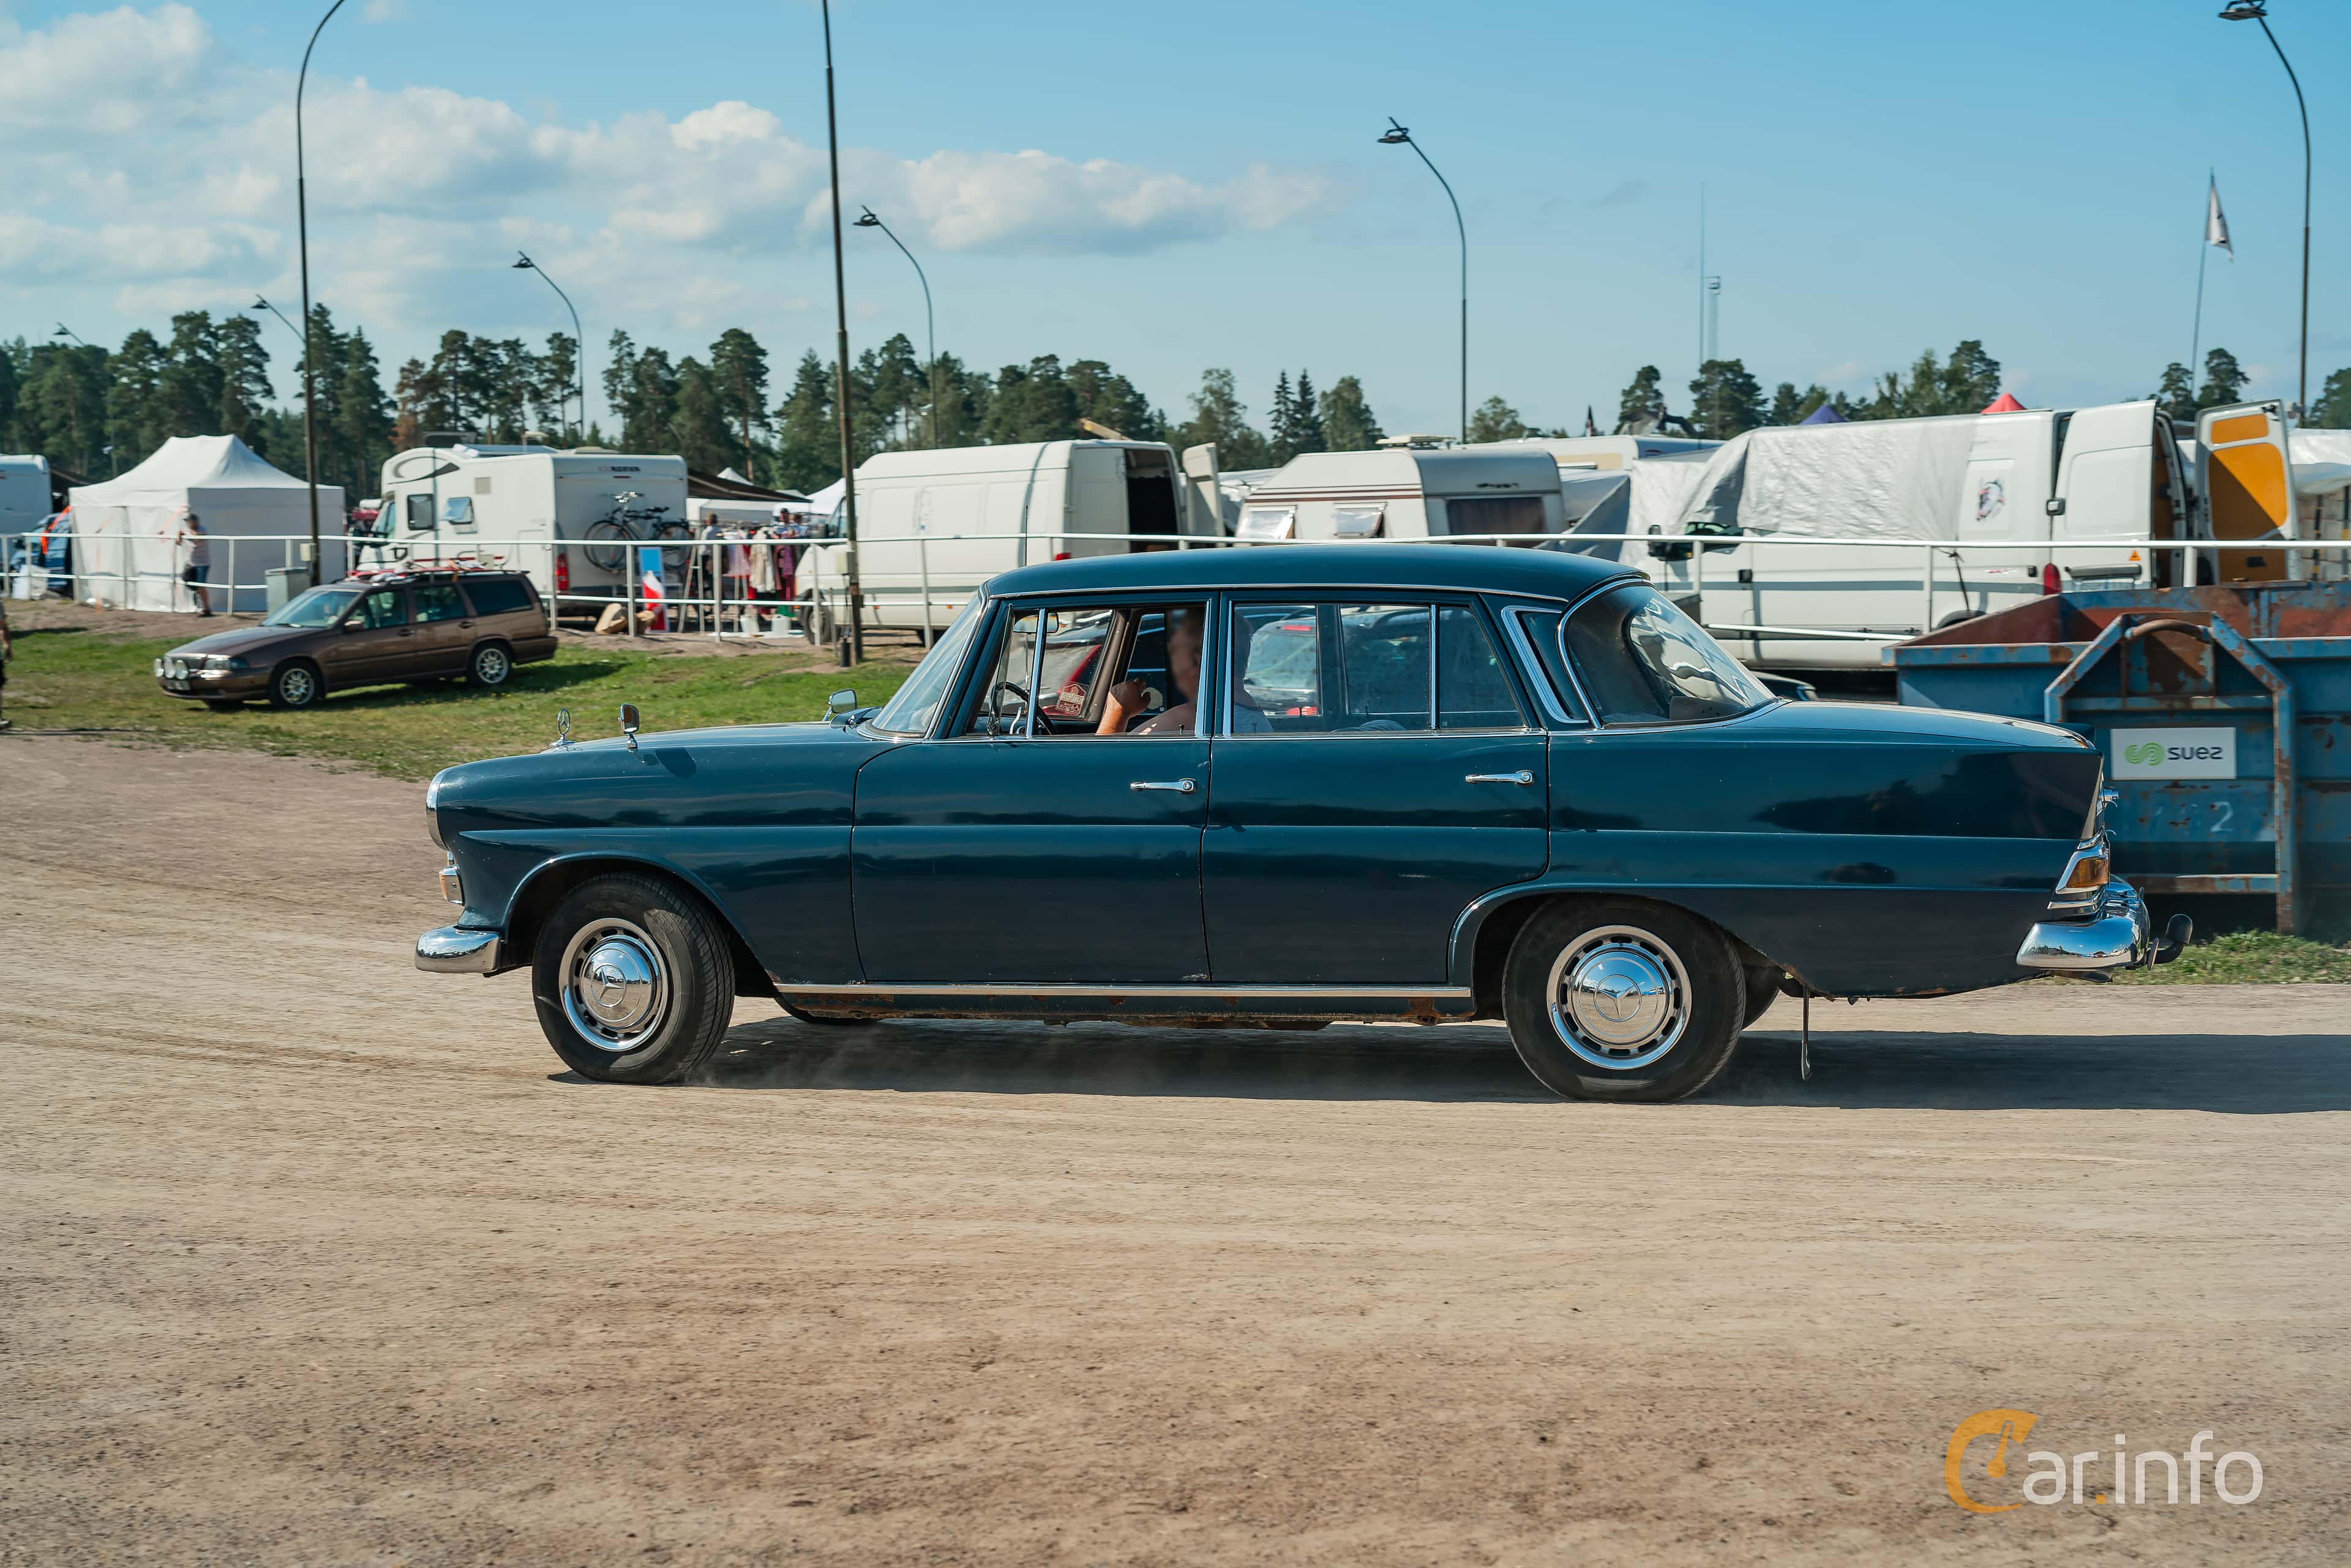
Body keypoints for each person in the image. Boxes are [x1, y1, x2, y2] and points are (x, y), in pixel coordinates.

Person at [176, 511, 212, 617]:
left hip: (203, 563)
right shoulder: (187, 530)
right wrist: (179, 535)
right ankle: (197, 593)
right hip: (191, 563)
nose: (187, 523)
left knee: (201, 585)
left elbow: (198, 537)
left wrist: (187, 532)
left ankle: (207, 609)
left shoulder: (202, 529)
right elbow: (181, 531)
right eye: (187, 522)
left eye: (189, 521)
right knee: (186, 579)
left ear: (195, 522)